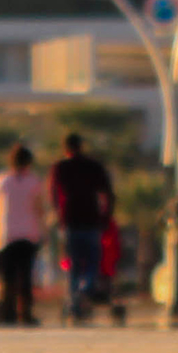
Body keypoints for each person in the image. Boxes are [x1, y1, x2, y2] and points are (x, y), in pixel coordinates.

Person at [49, 131, 118, 325]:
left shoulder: (60, 167)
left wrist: (58, 214)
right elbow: (109, 194)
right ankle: (83, 291)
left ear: (65, 148)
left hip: (69, 221)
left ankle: (75, 303)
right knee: (92, 265)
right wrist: (106, 217)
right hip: (91, 220)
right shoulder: (93, 167)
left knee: (74, 266)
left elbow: (54, 194)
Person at [0, 142, 47, 326]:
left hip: (6, 234)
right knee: (25, 276)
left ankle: (6, 312)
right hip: (28, 234)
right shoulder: (34, 181)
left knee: (6, 276)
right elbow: (38, 208)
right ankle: (25, 313)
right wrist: (42, 229)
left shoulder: (0, 180)